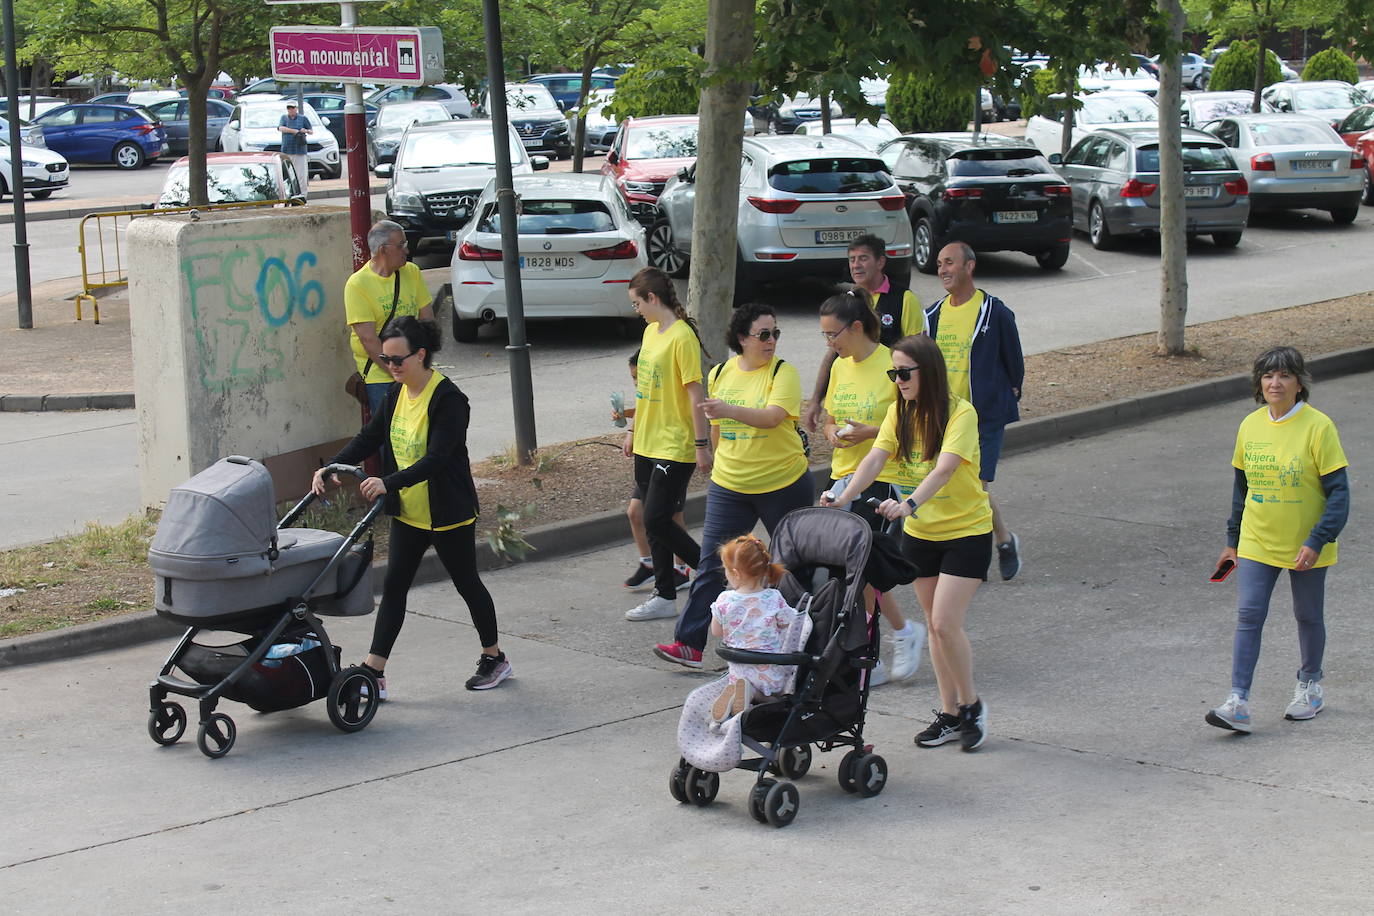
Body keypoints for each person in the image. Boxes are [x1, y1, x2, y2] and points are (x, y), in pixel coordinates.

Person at [314, 316, 511, 695]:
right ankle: (376, 669)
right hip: (410, 511)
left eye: (397, 360)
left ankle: (495, 658)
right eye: (386, 361)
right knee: (395, 587)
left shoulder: (449, 400)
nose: (391, 367)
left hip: (447, 512)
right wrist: (333, 467)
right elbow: (369, 437)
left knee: (467, 584)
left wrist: (388, 482)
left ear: (421, 355)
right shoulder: (395, 394)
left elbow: (437, 458)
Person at [821, 334, 993, 751]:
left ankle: (972, 707)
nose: (897, 380)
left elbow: (946, 469)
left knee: (944, 623)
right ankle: (949, 712)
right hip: (922, 535)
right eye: (893, 372)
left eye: (903, 372)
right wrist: (843, 497)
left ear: (927, 371)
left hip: (966, 531)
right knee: (935, 630)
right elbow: (875, 459)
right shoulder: (899, 413)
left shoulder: (959, 414)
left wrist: (910, 503)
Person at [652, 302, 813, 668]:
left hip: (782, 483)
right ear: (742, 338)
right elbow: (716, 422)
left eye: (775, 333)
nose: (771, 341)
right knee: (711, 564)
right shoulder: (722, 371)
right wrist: (711, 452)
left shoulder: (782, 373)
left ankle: (806, 640)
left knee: (793, 565)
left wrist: (728, 411)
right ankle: (689, 645)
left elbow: (773, 418)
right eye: (763, 335)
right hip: (731, 484)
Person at [1206, 346, 1349, 734]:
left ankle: (1310, 686)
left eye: (1284, 375)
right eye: (1268, 376)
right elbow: (1242, 488)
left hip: (1306, 543)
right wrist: (1233, 540)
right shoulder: (1250, 425)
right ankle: (1237, 700)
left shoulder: (1319, 427)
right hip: (1257, 539)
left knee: (1307, 616)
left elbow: (1339, 493)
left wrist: (1318, 539)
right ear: (1259, 383)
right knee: (1249, 616)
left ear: (1299, 383)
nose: (1275, 382)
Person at [817, 289, 925, 686]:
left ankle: (886, 645)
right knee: (845, 571)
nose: (829, 344)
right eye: (825, 336)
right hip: (842, 474)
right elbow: (831, 416)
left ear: (856, 327)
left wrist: (873, 431)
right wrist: (832, 431)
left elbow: (916, 424)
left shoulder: (891, 364)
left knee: (861, 570)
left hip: (882, 478)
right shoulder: (841, 366)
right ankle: (886, 642)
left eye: (833, 335)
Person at [924, 242, 1025, 581]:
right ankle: (1001, 539)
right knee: (963, 486)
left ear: (969, 266)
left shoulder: (994, 311)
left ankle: (984, 550)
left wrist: (1008, 393)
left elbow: (1014, 360)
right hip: (944, 418)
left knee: (977, 485)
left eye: (949, 262)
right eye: (939, 264)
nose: (942, 270)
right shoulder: (933, 315)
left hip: (983, 417)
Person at [622, 267, 710, 621]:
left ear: (652, 298)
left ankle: (712, 573)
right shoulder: (650, 333)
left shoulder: (682, 337)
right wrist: (632, 429)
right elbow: (644, 388)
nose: (636, 310)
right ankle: (664, 594)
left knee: (657, 519)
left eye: (637, 303)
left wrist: (701, 444)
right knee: (647, 515)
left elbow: (694, 393)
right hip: (647, 440)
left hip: (674, 443)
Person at [802, 234, 924, 433]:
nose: (856, 265)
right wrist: (816, 400)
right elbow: (832, 354)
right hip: (856, 390)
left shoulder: (904, 299)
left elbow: (917, 353)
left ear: (881, 262)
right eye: (852, 259)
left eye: (863, 258)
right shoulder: (848, 301)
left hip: (888, 391)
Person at [614, 348, 692, 592]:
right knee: (636, 512)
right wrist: (628, 423)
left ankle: (683, 568)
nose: (637, 383)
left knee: (670, 516)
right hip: (649, 455)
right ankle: (649, 563)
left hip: (671, 454)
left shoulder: (668, 386)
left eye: (639, 377)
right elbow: (643, 407)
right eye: (634, 379)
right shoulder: (646, 390)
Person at [709, 535, 800, 724]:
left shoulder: (724, 600)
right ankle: (756, 696)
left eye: (725, 570)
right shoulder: (773, 598)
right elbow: (789, 623)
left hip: (739, 670)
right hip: (768, 672)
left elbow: (716, 632)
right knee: (776, 698)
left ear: (736, 572)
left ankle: (740, 694)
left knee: (742, 682)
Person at [346, 220, 433, 418]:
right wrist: (399, 371)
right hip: (382, 375)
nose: (407, 250)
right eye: (401, 245)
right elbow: (368, 339)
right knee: (391, 436)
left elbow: (427, 318)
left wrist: (422, 363)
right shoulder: (357, 285)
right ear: (383, 250)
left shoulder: (411, 272)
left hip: (416, 368)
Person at [277, 101, 312, 199]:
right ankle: (289, 193)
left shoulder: (303, 118)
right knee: (287, 173)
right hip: (287, 149)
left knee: (301, 174)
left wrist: (304, 131)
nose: (291, 110)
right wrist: (294, 131)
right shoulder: (284, 118)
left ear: (296, 108)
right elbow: (281, 128)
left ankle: (303, 194)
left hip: (299, 149)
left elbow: (310, 131)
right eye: (289, 108)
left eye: (292, 108)